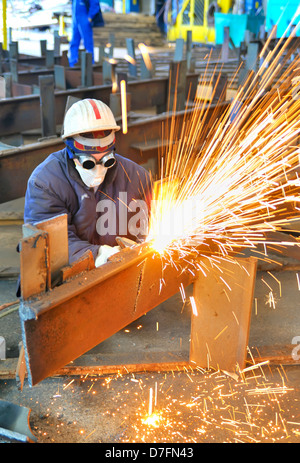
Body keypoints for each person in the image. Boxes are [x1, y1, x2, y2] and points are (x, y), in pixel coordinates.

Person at [23, 98, 152, 268]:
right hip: (65, 276)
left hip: (122, 269)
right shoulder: (45, 182)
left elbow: (149, 227)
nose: (98, 169)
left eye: (106, 161)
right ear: (70, 151)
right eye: (88, 163)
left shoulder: (136, 176)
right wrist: (97, 254)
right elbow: (50, 241)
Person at [68, 0, 104, 67]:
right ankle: (72, 63)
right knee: (73, 43)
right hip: (75, 19)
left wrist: (90, 17)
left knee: (87, 43)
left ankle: (90, 64)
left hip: (84, 19)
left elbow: (95, 4)